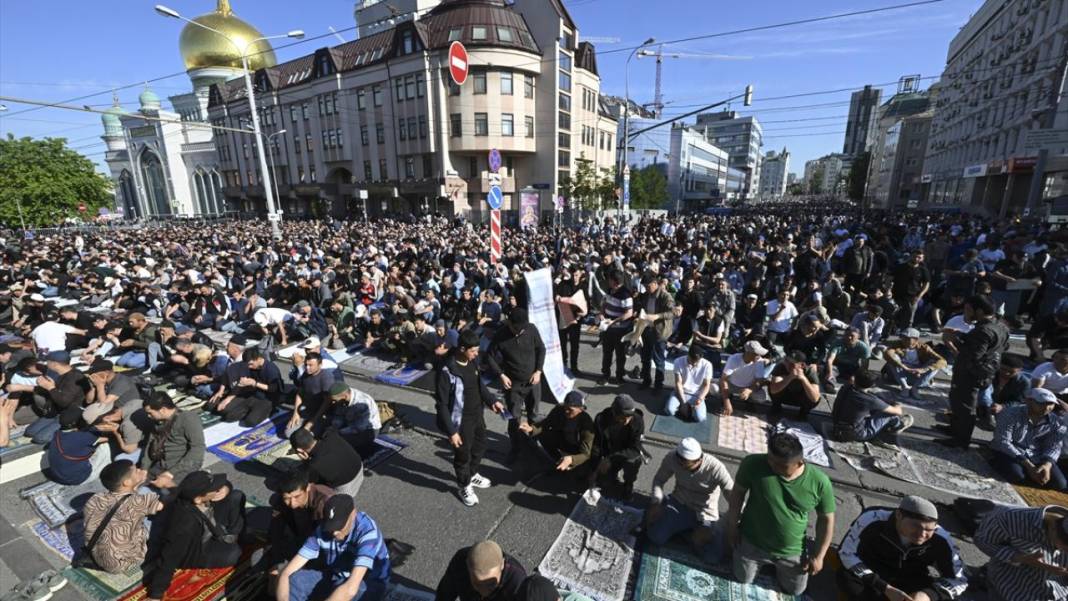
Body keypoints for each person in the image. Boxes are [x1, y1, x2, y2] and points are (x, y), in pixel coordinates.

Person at [726, 432, 836, 595]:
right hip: (753, 541)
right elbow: (737, 495)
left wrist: (819, 556)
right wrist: (732, 526)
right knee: (743, 578)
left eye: (780, 464)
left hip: (791, 550)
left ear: (799, 462)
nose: (771, 465)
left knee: (795, 591)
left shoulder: (819, 482)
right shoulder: (753, 463)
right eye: (770, 458)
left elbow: (826, 520)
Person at [838, 495, 968, 601]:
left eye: (929, 529)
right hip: (873, 570)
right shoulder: (872, 520)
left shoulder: (941, 539)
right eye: (916, 526)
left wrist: (927, 595)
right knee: (850, 582)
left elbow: (959, 579)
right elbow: (846, 553)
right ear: (898, 515)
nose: (922, 534)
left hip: (910, 577)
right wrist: (885, 588)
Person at [144, 471, 244, 601]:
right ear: (197, 499)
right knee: (234, 553)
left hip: (208, 521)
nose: (218, 489)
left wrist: (226, 488)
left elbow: (223, 485)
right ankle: (236, 536)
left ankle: (236, 534)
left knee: (236, 495)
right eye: (215, 489)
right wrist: (155, 595)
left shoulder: (191, 494)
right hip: (199, 548)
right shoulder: (184, 525)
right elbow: (168, 559)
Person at [276, 494, 392, 601]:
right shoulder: (322, 529)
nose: (335, 532)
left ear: (353, 514)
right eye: (331, 526)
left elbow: (351, 588)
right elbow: (286, 573)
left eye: (340, 526)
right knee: (295, 580)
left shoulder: (368, 532)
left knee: (355, 590)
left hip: (366, 583)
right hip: (336, 576)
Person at [435, 330, 505, 507]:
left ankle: (471, 474)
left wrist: (492, 401)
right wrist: (452, 431)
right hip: (460, 419)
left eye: (477, 350)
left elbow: (479, 385)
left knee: (480, 445)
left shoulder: (472, 362)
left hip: (477, 414)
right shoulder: (446, 370)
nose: (476, 354)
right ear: (462, 348)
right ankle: (463, 484)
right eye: (473, 351)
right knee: (462, 454)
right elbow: (441, 404)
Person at [647, 438, 734, 563]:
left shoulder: (716, 467)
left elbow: (733, 498)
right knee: (655, 537)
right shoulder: (672, 458)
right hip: (679, 503)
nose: (680, 464)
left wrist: (722, 525)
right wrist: (657, 500)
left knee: (712, 558)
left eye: (685, 463)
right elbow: (659, 480)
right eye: (679, 460)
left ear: (699, 460)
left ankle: (691, 534)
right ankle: (688, 533)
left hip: (706, 513)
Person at [942, 295, 1009, 448]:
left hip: (971, 373)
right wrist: (964, 336)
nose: (965, 313)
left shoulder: (983, 330)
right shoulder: (1001, 326)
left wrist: (955, 339)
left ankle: (961, 440)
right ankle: (955, 429)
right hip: (986, 371)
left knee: (965, 405)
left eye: (967, 309)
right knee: (958, 402)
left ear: (978, 311)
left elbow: (972, 356)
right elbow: (1003, 347)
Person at [82, 460, 164, 574]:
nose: (141, 470)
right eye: (136, 471)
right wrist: (167, 484)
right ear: (127, 482)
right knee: (161, 523)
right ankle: (137, 560)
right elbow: (164, 505)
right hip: (120, 564)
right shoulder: (139, 502)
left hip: (95, 554)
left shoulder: (95, 498)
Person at [485, 309, 545, 464]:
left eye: (522, 329)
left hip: (533, 382)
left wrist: (538, 371)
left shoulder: (531, 329)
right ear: (509, 323)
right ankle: (516, 447)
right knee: (514, 417)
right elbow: (489, 356)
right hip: (513, 384)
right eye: (516, 328)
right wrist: (501, 374)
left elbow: (541, 349)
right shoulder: (501, 334)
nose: (519, 331)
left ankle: (532, 444)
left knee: (534, 415)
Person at [974, 504, 1068, 601]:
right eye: (1066, 548)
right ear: (1053, 527)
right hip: (1016, 584)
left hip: (1061, 591)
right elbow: (982, 540)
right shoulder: (1011, 517)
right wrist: (1020, 558)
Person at [989, 388, 1068, 491]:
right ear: (1028, 401)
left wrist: (1047, 465)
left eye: (1050, 404)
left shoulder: (1056, 421)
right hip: (1010, 451)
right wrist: (1028, 466)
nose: (1047, 407)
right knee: (1016, 475)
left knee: (1060, 484)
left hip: (1035, 454)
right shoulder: (1010, 413)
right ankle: (994, 460)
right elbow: (1003, 441)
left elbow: (1054, 446)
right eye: (1041, 403)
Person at [266, 468, 335, 586]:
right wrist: (276, 562)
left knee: (296, 580)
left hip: (322, 548)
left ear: (307, 488)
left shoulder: (325, 503)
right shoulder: (281, 499)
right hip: (301, 537)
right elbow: (276, 526)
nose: (292, 503)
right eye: (287, 498)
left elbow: (330, 541)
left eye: (297, 497)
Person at [517, 390, 595, 476]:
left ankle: (571, 465)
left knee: (580, 474)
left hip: (577, 448)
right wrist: (531, 428)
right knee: (543, 435)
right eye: (565, 407)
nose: (566, 411)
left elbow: (586, 454)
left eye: (570, 409)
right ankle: (558, 460)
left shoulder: (587, 424)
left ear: (580, 409)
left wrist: (572, 459)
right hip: (563, 439)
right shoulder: (559, 409)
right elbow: (546, 423)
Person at [138, 393, 206, 491]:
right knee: (137, 486)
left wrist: (171, 473)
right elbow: (151, 444)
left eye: (150, 413)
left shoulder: (188, 418)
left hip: (182, 466)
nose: (148, 416)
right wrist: (144, 468)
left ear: (163, 410)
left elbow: (198, 449)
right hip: (161, 463)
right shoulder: (157, 421)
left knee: (165, 495)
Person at [24, 350, 90, 444]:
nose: (46, 364)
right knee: (29, 432)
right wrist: (46, 387)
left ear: (55, 364)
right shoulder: (58, 374)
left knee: (40, 438)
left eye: (48, 362)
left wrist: (50, 387)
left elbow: (64, 402)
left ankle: (72, 430)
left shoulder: (75, 377)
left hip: (69, 415)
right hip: (56, 411)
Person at [588, 394, 645, 501]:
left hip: (626, 455)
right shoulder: (601, 419)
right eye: (623, 417)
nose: (627, 420)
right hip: (609, 454)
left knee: (634, 461)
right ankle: (612, 474)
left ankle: (628, 483)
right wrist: (594, 469)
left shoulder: (638, 421)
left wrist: (610, 459)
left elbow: (636, 448)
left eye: (630, 416)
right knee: (604, 483)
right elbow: (596, 445)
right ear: (614, 412)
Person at [831, 370, 913, 443]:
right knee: (890, 415)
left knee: (876, 408)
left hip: (836, 425)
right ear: (873, 385)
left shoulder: (846, 387)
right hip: (856, 434)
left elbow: (852, 380)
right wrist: (897, 404)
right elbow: (898, 411)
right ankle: (898, 426)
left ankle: (884, 425)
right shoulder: (870, 400)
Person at [210, 346, 282, 427]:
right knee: (227, 415)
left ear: (258, 359)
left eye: (251, 364)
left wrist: (254, 383)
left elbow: (274, 389)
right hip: (253, 395)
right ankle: (250, 411)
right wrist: (228, 399)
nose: (249, 367)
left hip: (268, 399)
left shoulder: (271, 369)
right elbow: (239, 382)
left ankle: (269, 410)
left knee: (250, 422)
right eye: (248, 365)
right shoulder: (250, 367)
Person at [435, 540, 527, 601]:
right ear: (467, 565)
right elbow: (445, 593)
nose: (484, 591)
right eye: (477, 584)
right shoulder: (460, 562)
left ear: (502, 564)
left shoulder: (517, 583)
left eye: (491, 584)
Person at [289, 427, 366, 498]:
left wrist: (306, 462)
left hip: (346, 490)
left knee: (310, 489)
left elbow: (309, 480)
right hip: (360, 471)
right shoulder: (331, 436)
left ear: (300, 450)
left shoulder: (314, 465)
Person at [45, 408, 110, 485]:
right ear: (76, 423)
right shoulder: (82, 436)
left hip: (59, 474)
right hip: (78, 478)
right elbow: (107, 438)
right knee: (106, 447)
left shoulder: (57, 433)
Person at [634, 274, 676, 390]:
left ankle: (658, 385)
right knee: (645, 357)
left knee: (658, 359)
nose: (646, 289)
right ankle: (646, 380)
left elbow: (672, 313)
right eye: (644, 286)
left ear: (655, 284)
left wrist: (657, 316)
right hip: (646, 329)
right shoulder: (645, 295)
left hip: (659, 332)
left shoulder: (665, 296)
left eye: (648, 286)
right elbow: (641, 308)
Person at [881, 328, 947, 400]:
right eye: (903, 337)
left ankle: (915, 388)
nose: (904, 340)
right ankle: (905, 387)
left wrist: (923, 370)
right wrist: (905, 368)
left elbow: (943, 361)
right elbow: (888, 354)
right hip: (900, 374)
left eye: (907, 338)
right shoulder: (897, 344)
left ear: (916, 339)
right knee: (892, 361)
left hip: (918, 376)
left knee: (935, 364)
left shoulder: (924, 347)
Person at [598, 271, 634, 385]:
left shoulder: (625, 294)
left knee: (620, 354)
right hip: (607, 327)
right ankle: (605, 375)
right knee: (607, 353)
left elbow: (629, 313)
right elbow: (604, 303)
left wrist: (614, 321)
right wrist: (602, 313)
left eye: (610, 280)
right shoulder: (609, 290)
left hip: (620, 329)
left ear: (615, 281)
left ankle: (619, 376)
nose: (608, 281)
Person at [767, 351, 822, 420]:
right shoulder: (781, 367)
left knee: (815, 396)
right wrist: (790, 377)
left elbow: (815, 398)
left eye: (792, 364)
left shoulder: (809, 371)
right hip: (785, 396)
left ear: (802, 365)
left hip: (800, 398)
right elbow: (773, 390)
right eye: (786, 361)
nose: (788, 365)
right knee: (771, 385)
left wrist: (803, 379)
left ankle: (803, 413)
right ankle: (776, 406)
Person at [667, 345, 714, 423]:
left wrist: (700, 399)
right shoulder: (678, 361)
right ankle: (682, 406)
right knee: (670, 411)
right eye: (692, 361)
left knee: (700, 418)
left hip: (697, 394)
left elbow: (706, 385)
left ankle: (685, 408)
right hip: (681, 391)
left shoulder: (707, 365)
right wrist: (683, 403)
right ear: (688, 355)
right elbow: (678, 383)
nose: (694, 364)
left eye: (697, 362)